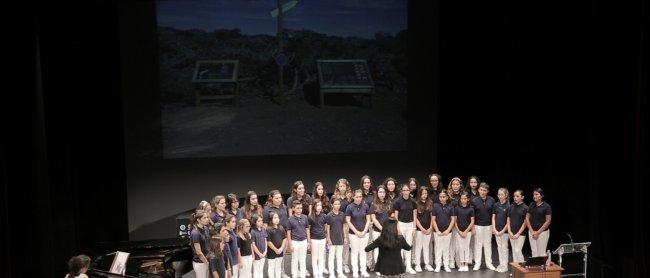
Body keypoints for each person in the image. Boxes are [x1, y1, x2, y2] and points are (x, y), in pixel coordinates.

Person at [346, 189, 371, 278]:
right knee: (354, 252)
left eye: (360, 197)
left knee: (363, 252)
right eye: (357, 197)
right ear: (353, 197)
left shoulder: (366, 206)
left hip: (365, 233)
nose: (359, 198)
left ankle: (363, 270)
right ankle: (355, 271)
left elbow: (368, 219)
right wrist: (356, 232)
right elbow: (348, 221)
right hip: (353, 234)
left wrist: (364, 231)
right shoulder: (349, 207)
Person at [393, 183, 417, 274]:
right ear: (401, 191)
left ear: (409, 191)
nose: (406, 192)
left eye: (407, 190)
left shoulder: (413, 201)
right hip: (401, 225)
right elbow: (396, 216)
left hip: (410, 225)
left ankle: (409, 266)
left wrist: (414, 228)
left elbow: (415, 215)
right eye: (404, 190)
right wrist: (397, 228)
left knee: (408, 246)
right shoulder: (397, 201)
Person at [471, 182, 496, 271]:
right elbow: (472, 215)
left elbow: (493, 214)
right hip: (478, 226)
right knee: (478, 245)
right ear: (478, 190)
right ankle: (477, 263)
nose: (482, 192)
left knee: (488, 244)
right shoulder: (474, 201)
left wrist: (493, 226)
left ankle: (489, 263)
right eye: (481, 190)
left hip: (488, 226)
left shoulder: (492, 200)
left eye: (484, 190)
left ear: (487, 191)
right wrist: (473, 227)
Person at [331, 178, 352, 274]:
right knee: (335, 245)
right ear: (338, 187)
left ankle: (345, 264)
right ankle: (336, 265)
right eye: (340, 186)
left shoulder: (350, 198)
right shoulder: (334, 197)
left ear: (347, 187)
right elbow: (330, 211)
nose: (342, 188)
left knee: (346, 244)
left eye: (344, 186)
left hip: (346, 223)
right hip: (336, 224)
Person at [369, 185, 391, 275]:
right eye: (380, 192)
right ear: (377, 193)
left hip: (388, 231)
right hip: (377, 231)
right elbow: (373, 219)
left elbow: (391, 217)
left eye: (383, 192)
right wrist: (382, 228)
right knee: (378, 249)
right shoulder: (373, 204)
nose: (382, 194)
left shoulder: (389, 203)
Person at [432, 190, 455, 272]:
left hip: (447, 232)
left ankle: (446, 265)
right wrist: (437, 230)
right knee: (438, 248)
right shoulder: (435, 206)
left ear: (447, 197)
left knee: (446, 248)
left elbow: (453, 220)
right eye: (440, 197)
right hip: (437, 232)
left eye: (444, 197)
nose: (442, 198)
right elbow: (433, 219)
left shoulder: (451, 206)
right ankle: (438, 265)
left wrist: (448, 230)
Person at [287, 200, 311, 278]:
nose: (299, 210)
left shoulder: (305, 217)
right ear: (293, 209)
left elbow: (307, 229)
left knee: (303, 259)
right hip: (295, 242)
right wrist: (290, 244)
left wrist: (308, 241)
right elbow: (288, 232)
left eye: (301, 208)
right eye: (297, 208)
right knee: (294, 259)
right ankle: (294, 274)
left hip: (304, 241)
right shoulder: (290, 219)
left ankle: (302, 274)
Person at [526, 188, 552, 257]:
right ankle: (535, 267)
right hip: (532, 232)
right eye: (533, 194)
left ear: (541, 196)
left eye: (536, 194)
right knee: (534, 252)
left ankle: (542, 267)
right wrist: (532, 231)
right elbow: (527, 218)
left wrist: (538, 232)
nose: (534, 196)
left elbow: (548, 221)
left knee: (541, 253)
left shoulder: (546, 207)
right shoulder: (531, 205)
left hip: (542, 233)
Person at [413, 186, 434, 272]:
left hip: (428, 229)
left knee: (426, 246)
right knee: (418, 247)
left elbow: (432, 217)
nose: (424, 195)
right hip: (419, 229)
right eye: (422, 194)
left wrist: (430, 228)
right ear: (420, 194)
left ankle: (427, 264)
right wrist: (421, 228)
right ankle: (417, 264)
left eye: (426, 193)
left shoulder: (430, 202)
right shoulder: (416, 203)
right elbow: (415, 217)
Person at [326, 198, 347, 278]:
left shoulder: (342, 214)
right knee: (331, 257)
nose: (337, 205)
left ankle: (340, 272)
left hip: (340, 238)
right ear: (332, 205)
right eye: (335, 204)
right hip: (332, 239)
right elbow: (327, 228)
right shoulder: (329, 215)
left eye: (338, 204)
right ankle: (331, 273)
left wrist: (345, 237)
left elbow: (344, 227)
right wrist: (329, 239)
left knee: (339, 256)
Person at [454, 192, 474, 272]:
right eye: (462, 199)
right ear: (460, 199)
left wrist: (465, 231)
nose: (463, 200)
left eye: (465, 199)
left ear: (468, 199)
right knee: (461, 247)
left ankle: (466, 264)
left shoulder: (471, 209)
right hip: (459, 232)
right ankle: (461, 263)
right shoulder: (457, 209)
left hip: (467, 232)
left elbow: (472, 221)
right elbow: (455, 221)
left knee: (466, 247)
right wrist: (459, 231)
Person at [507, 189, 529, 263]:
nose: (515, 198)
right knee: (513, 250)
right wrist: (509, 231)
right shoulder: (511, 206)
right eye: (514, 196)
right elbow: (508, 219)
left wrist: (518, 233)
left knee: (517, 250)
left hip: (520, 234)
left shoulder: (525, 208)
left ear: (522, 197)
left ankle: (523, 267)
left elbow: (525, 222)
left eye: (517, 196)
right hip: (511, 232)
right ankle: (515, 270)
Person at [492, 187, 511, 273]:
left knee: (504, 248)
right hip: (497, 231)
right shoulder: (496, 205)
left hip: (504, 232)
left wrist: (503, 231)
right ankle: (501, 264)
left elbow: (508, 221)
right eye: (498, 194)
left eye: (501, 195)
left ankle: (505, 265)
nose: (500, 196)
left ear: (506, 195)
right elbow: (493, 218)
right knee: (499, 248)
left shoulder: (508, 206)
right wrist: (494, 229)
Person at [309, 200, 328, 278]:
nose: (319, 207)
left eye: (320, 205)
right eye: (317, 205)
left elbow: (326, 227)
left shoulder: (324, 216)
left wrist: (325, 235)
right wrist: (309, 240)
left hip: (322, 238)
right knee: (314, 257)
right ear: (314, 206)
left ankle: (320, 273)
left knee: (321, 256)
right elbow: (308, 229)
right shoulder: (310, 217)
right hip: (314, 239)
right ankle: (315, 273)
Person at [267, 212, 287, 278]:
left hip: (280, 251)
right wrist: (275, 249)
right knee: (271, 267)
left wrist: (281, 248)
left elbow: (284, 238)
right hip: (271, 252)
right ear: (271, 219)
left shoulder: (281, 228)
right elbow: (268, 241)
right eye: (275, 218)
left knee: (278, 267)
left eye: (278, 218)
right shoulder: (268, 229)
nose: (277, 219)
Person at [191, 210, 211, 278]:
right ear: (198, 220)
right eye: (204, 218)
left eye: (207, 217)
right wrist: (207, 263)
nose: (207, 219)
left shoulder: (206, 228)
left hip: (207, 260)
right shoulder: (195, 233)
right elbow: (198, 252)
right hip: (200, 263)